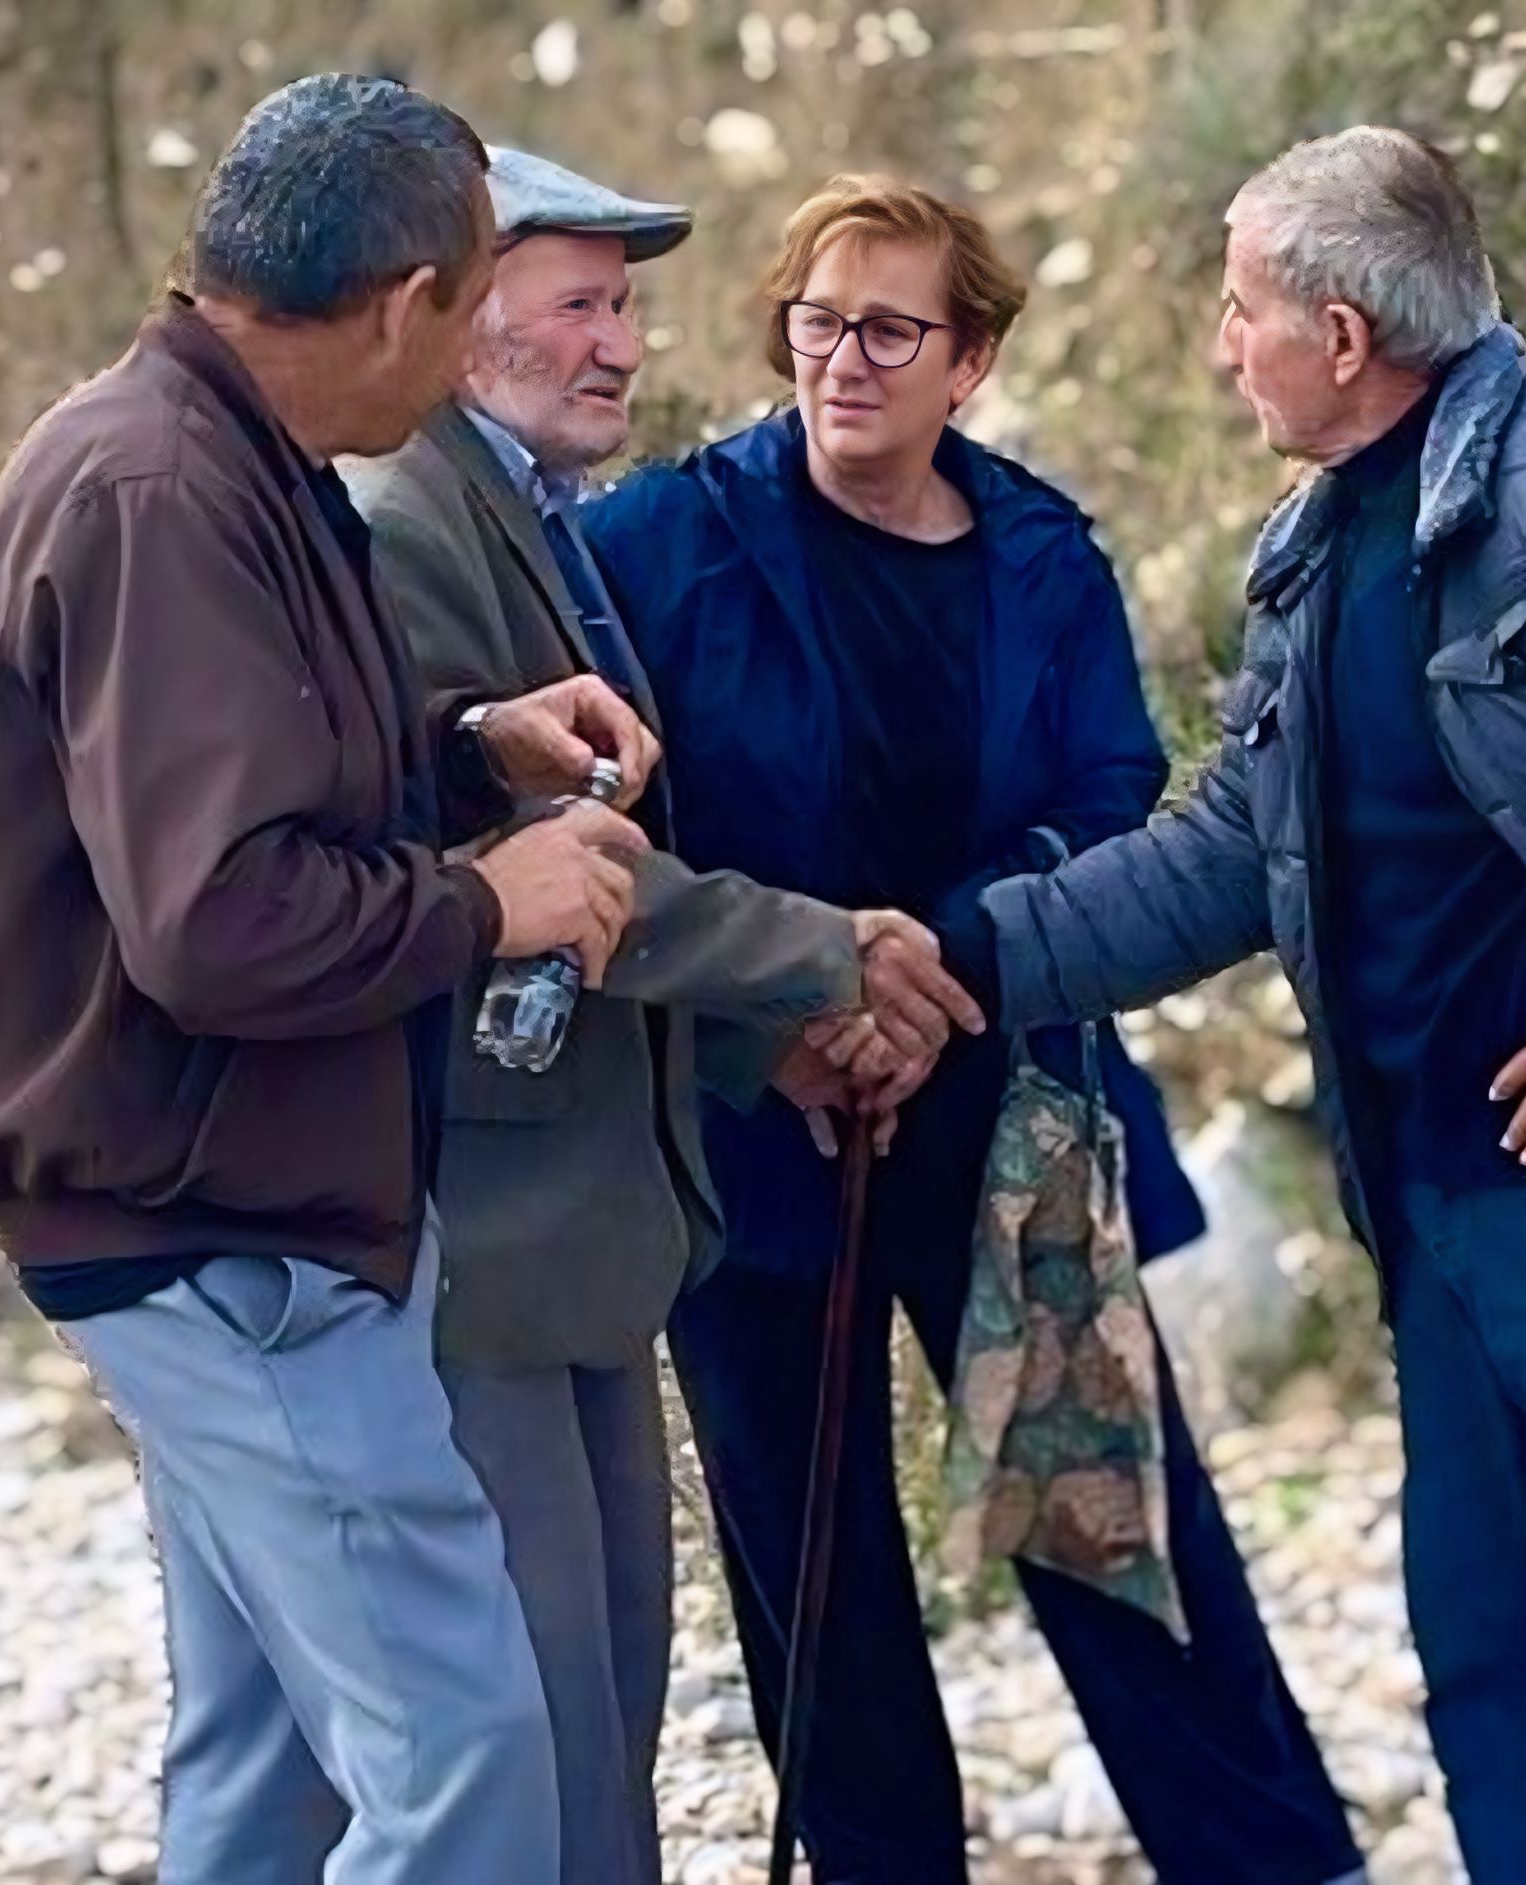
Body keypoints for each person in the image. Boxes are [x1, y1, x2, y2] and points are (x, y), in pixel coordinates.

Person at [931, 127, 1526, 1884]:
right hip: (1434, 1215)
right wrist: (956, 959)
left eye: (1240, 314)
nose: (1223, 350)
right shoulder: (1315, 545)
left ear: (1342, 331)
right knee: (1487, 1675)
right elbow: (1234, 850)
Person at [579, 175, 1367, 1885]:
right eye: (815, 318)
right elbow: (625, 834)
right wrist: (790, 1010)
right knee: (817, 1573)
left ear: (973, 359)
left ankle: (1281, 1867)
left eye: (889, 328)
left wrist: (929, 979)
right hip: (759, 1123)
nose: (842, 358)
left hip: (1012, 1112)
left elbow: (1113, 798)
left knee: (1117, 1540)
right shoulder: (655, 542)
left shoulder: (1041, 553)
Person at [0, 76, 667, 1882]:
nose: (470, 361)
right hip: (221, 1228)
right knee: (463, 1759)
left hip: (206, 1209)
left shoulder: (226, 465)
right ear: (413, 299)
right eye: (481, 305)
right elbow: (218, 920)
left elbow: (240, 787)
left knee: (268, 1774)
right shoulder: (159, 489)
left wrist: (461, 741)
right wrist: (489, 902)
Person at [343, 148, 985, 1885]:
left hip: (588, 1222)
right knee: (534, 1730)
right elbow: (544, 872)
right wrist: (822, 958)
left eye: (625, 305)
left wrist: (765, 1021)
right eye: (582, 304)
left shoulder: (533, 521)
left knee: (603, 1697)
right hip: (484, 1218)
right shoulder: (411, 521)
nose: (625, 343)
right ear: (460, 320)